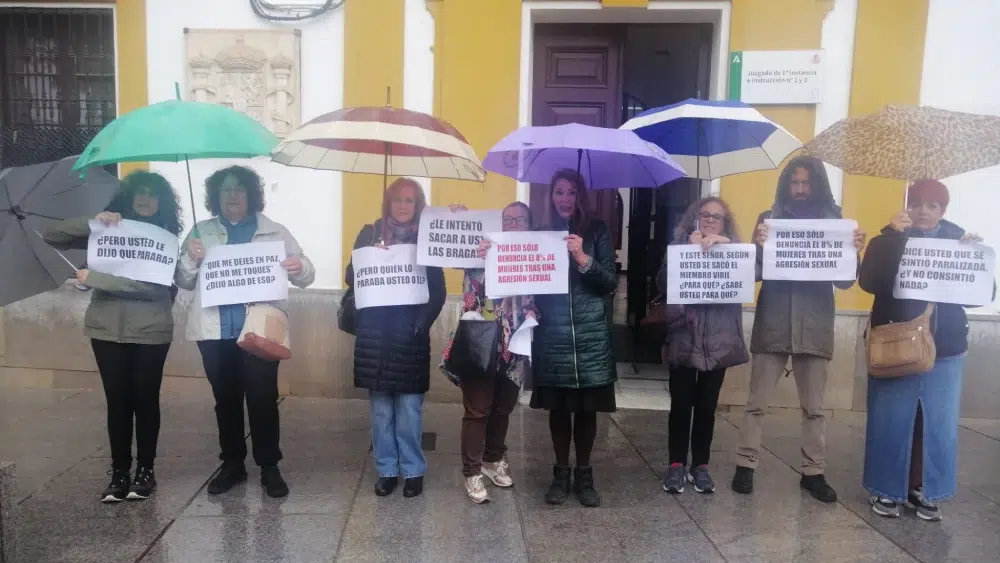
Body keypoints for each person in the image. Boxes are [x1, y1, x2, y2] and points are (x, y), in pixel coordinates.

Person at [732, 155, 866, 503]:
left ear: (817, 184)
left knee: (815, 408)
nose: (801, 189)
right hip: (774, 321)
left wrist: (855, 252)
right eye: (795, 183)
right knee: (756, 403)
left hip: (814, 325)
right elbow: (754, 274)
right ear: (786, 185)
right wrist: (756, 246)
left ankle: (813, 472)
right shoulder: (769, 219)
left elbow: (846, 281)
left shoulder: (837, 223)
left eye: (806, 183)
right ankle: (745, 465)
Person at [175, 165, 314, 499]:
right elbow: (183, 281)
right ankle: (232, 463)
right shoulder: (201, 232)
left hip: (259, 331)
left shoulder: (274, 232)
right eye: (225, 189)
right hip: (215, 330)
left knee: (263, 399)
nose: (232, 196)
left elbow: (306, 273)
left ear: (252, 194)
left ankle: (269, 466)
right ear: (215, 196)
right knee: (225, 399)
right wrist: (191, 260)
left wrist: (299, 267)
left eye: (239, 189)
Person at [43, 171, 182, 503]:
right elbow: (52, 236)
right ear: (128, 198)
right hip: (106, 329)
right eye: (139, 193)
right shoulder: (109, 232)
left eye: (152, 194)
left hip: (150, 329)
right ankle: (120, 472)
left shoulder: (166, 239)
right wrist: (95, 222)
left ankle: (145, 472)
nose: (145, 199)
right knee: (117, 401)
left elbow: (152, 287)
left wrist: (98, 279)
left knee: (145, 400)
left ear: (162, 202)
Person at [859, 179, 989, 521]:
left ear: (943, 211)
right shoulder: (888, 239)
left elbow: (982, 295)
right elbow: (869, 281)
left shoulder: (959, 240)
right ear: (908, 206)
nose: (923, 211)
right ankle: (886, 490)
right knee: (891, 418)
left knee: (935, 423)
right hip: (896, 342)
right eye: (916, 203)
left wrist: (975, 256)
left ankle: (923, 489)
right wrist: (890, 238)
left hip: (945, 348)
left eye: (932, 205)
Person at [344, 177, 447, 498]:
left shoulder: (427, 239)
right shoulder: (369, 233)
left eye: (409, 201)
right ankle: (387, 469)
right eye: (397, 200)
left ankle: (413, 470)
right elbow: (351, 276)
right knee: (381, 412)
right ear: (388, 204)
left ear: (418, 206)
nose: (403, 206)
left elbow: (438, 292)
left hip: (409, 338)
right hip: (375, 336)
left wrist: (420, 324)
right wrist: (371, 254)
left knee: (409, 411)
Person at [530, 169, 618, 508]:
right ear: (551, 196)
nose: (564, 198)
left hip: (590, 336)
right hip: (552, 335)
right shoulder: (541, 233)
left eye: (571, 192)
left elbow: (609, 282)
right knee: (558, 410)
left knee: (586, 411)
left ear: (580, 196)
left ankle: (584, 473)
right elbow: (520, 271)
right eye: (558, 192)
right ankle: (560, 473)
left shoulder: (597, 230)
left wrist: (583, 258)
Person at [440, 202, 538, 504]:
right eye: (507, 219)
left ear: (529, 226)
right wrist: (473, 248)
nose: (513, 224)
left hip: (516, 341)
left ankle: (493, 460)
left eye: (520, 220)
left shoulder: (536, 253)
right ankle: (471, 472)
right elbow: (451, 257)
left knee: (504, 407)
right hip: (481, 338)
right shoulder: (482, 250)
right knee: (477, 409)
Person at [657, 197, 749, 495]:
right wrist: (686, 251)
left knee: (707, 407)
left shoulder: (735, 251)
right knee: (681, 405)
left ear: (725, 224)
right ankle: (675, 465)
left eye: (717, 217)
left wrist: (727, 246)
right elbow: (661, 283)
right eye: (705, 215)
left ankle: (701, 466)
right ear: (694, 219)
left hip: (718, 341)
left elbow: (754, 272)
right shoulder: (680, 247)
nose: (710, 220)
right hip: (684, 337)